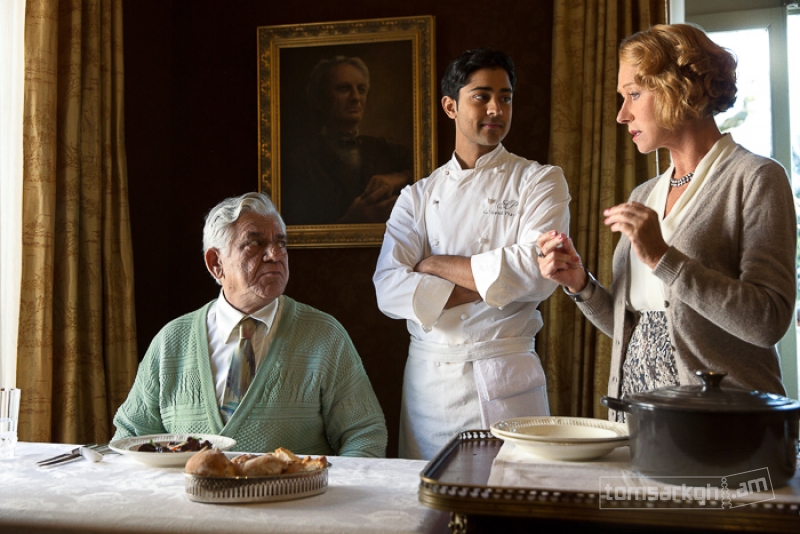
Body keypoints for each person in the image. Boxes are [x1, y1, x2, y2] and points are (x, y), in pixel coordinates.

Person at [536, 24, 795, 420]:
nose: (622, 114)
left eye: (634, 94)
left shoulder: (756, 178)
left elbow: (767, 322)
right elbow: (640, 329)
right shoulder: (644, 195)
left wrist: (662, 257)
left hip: (721, 426)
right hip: (639, 422)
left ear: (678, 88)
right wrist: (580, 284)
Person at [373, 49, 571, 460]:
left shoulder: (539, 180)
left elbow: (537, 273)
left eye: (505, 97)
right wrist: (496, 283)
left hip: (507, 376)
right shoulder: (417, 197)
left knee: (514, 493)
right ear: (451, 106)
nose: (496, 109)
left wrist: (433, 265)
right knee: (428, 496)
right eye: (482, 96)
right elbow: (388, 289)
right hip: (431, 384)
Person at [113, 192, 388, 456]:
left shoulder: (324, 336)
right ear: (216, 263)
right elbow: (131, 437)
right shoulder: (171, 341)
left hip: (295, 490)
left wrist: (323, 486)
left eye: (281, 243)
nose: (275, 255)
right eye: (255, 243)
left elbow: (364, 434)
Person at [282, 56, 413, 225]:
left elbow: (432, 169)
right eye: (344, 89)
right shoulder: (299, 162)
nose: (356, 97)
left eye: (361, 89)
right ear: (319, 99)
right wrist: (350, 221)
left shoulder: (383, 148)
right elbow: (295, 231)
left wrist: (399, 177)